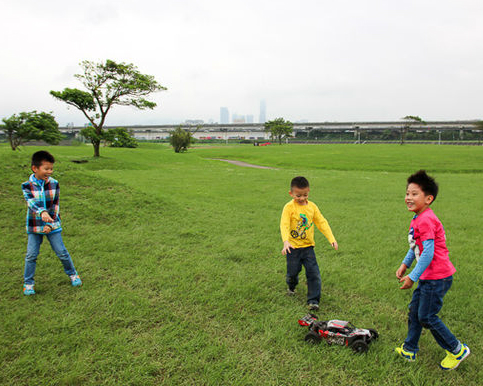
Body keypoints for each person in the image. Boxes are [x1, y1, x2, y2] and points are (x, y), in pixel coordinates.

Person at [395, 170, 469, 370]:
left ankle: (457, 349)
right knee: (415, 311)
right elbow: (416, 247)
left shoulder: (426, 219)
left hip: (437, 277)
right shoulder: (419, 217)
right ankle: (409, 349)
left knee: (427, 316)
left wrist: (412, 276)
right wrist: (405, 263)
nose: (408, 198)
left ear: (429, 199)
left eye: (414, 194)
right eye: (407, 193)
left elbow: (428, 253)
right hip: (429, 276)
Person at [21, 150, 81, 295]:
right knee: (31, 255)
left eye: (51, 168)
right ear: (35, 168)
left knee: (62, 252)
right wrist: (42, 212)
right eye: (46, 168)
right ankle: (28, 283)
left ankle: (73, 274)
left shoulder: (54, 183)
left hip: (52, 225)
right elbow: (31, 202)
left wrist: (49, 223)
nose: (50, 171)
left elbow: (55, 205)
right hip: (35, 226)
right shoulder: (26, 186)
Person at [280, 176, 338, 311]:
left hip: (308, 248)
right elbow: (284, 225)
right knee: (292, 273)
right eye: (298, 195)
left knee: (314, 273)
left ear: (309, 192)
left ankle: (313, 301)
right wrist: (286, 242)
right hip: (292, 248)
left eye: (305, 195)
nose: (301, 198)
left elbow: (322, 222)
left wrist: (332, 239)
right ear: (291, 193)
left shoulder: (312, 207)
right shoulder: (289, 207)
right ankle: (291, 286)